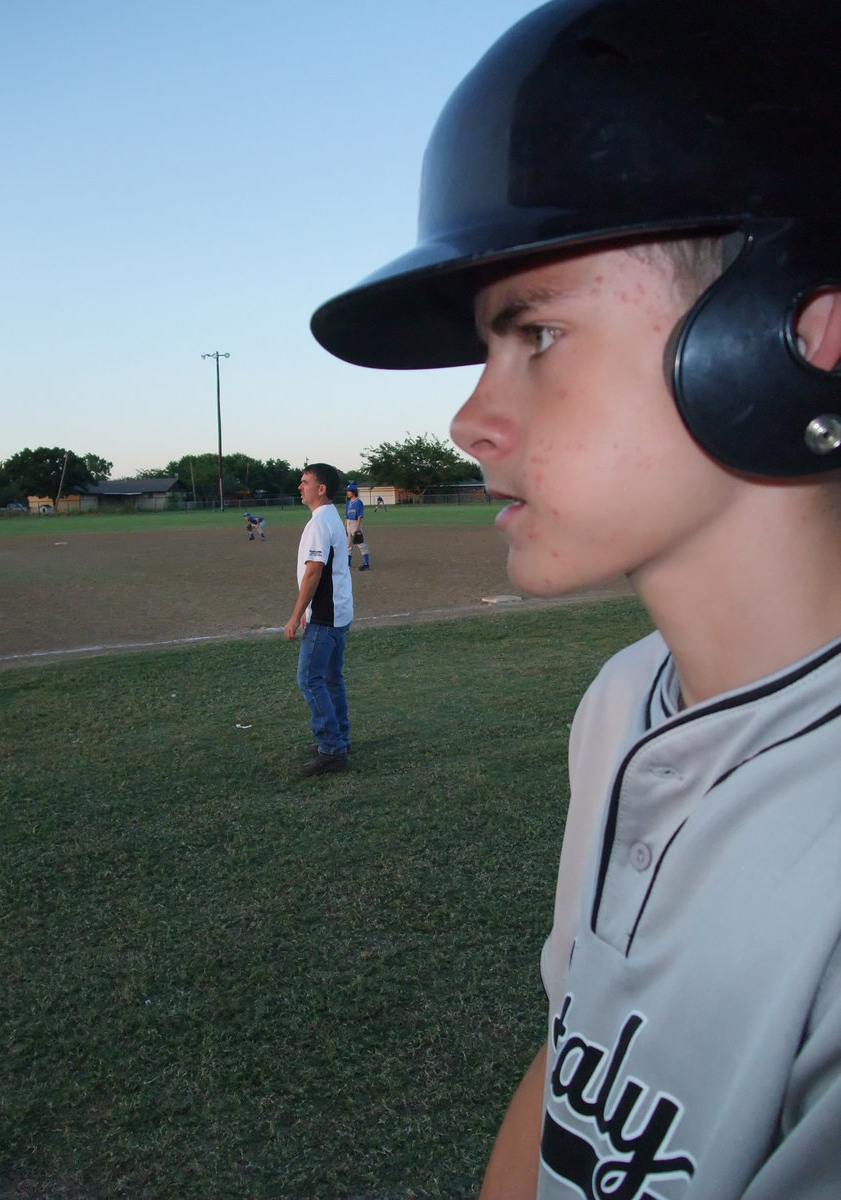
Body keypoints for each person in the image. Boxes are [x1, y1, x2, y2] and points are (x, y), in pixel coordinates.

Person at [309, 1, 841, 1195]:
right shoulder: (621, 707)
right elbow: (571, 1068)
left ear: (801, 333)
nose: (468, 421)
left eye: (537, 335)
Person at [284, 463, 353, 777]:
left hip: (325, 617)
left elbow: (314, 571)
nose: (300, 487)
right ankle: (340, 738)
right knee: (330, 679)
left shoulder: (319, 522)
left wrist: (297, 615)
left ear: (321, 488)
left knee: (309, 679)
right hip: (337, 613)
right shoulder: (330, 518)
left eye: (304, 482)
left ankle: (332, 749)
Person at [344, 482, 370, 570]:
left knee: (361, 544)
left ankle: (366, 564)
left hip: (356, 524)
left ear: (353, 492)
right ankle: (348, 563)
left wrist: (357, 529)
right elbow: (346, 517)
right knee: (348, 544)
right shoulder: (348, 503)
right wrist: (345, 527)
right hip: (349, 524)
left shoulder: (358, 502)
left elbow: (359, 516)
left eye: (348, 491)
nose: (347, 492)